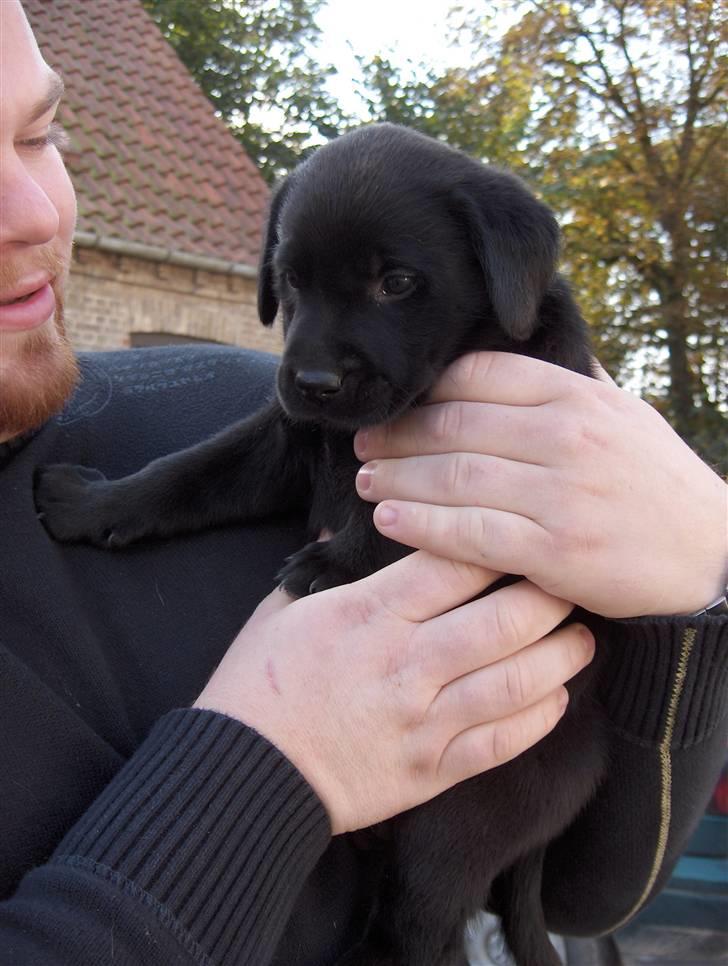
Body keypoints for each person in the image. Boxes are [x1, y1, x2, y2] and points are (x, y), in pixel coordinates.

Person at [0, 2, 725, 963]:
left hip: (526, 783)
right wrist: (262, 767)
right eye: (296, 292)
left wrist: (700, 586)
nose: (37, 210)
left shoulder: (219, 393)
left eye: (40, 134)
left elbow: (603, 886)